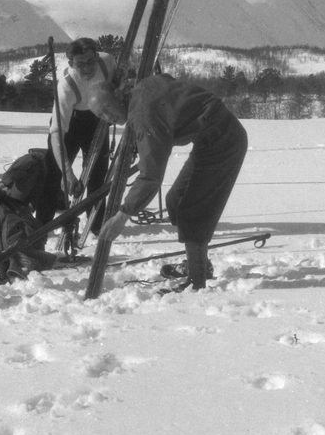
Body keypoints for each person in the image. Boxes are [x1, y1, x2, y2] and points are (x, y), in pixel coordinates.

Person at [87, 74, 248, 290]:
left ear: (118, 94)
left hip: (223, 140)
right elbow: (164, 81)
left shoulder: (144, 117)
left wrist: (123, 215)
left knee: (192, 210)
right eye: (101, 115)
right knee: (175, 200)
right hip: (208, 138)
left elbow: (151, 175)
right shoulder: (142, 88)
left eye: (107, 107)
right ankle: (197, 261)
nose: (107, 116)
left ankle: (196, 280)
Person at [40, 37, 115, 228]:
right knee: (54, 174)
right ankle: (41, 225)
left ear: (97, 57)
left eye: (91, 61)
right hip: (70, 123)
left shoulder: (108, 63)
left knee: (98, 174)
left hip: (97, 119)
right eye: (80, 64)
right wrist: (69, 175)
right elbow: (57, 132)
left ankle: (96, 225)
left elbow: (119, 83)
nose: (88, 68)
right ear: (71, 64)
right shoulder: (66, 86)